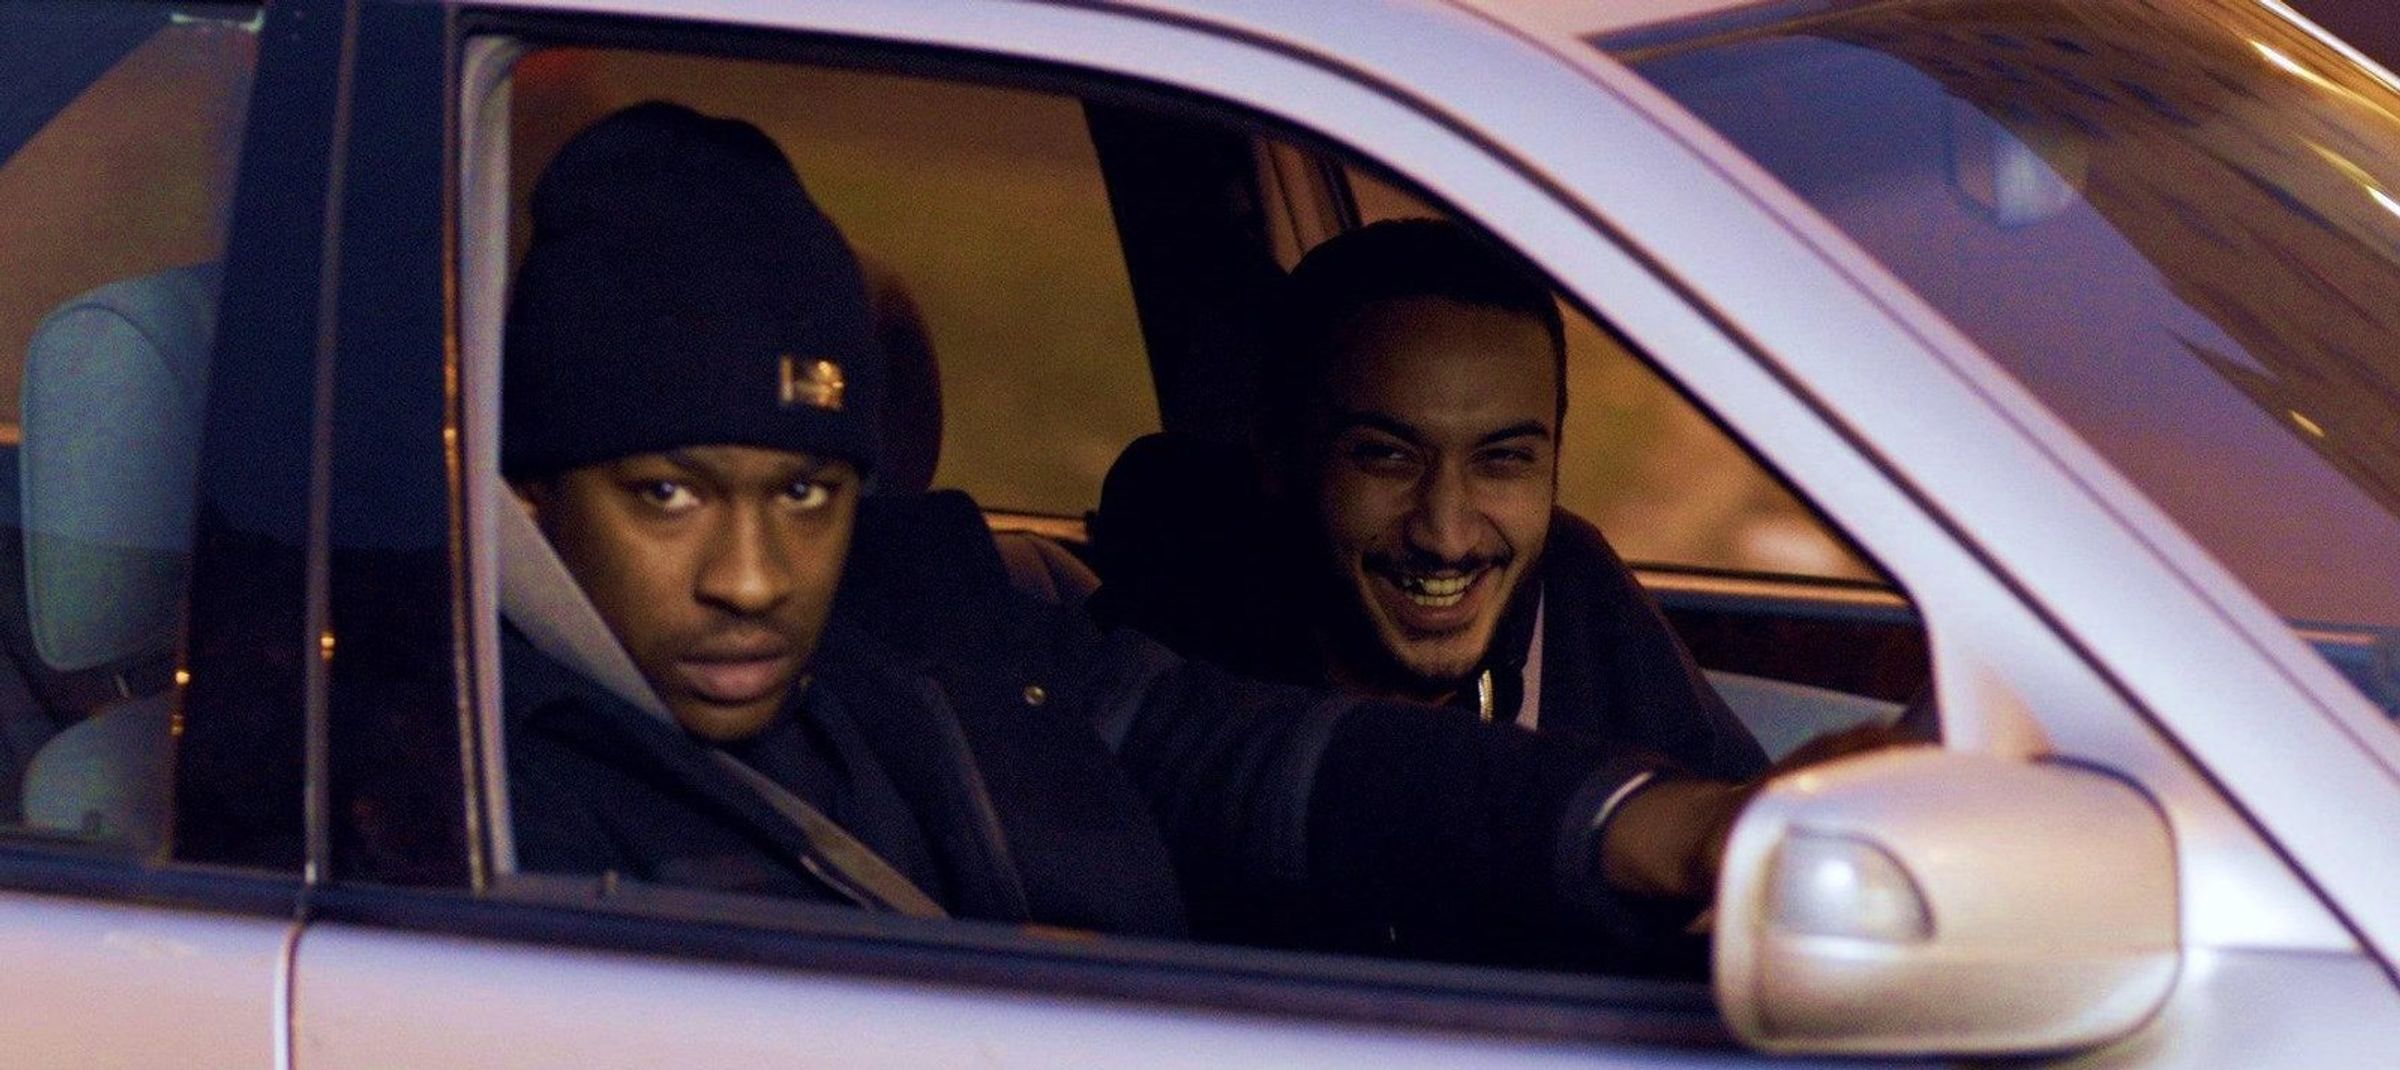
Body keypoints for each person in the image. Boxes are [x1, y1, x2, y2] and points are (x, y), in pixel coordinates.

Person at [498, 102, 1835, 973]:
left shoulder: (928, 613)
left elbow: (1264, 759)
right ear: (535, 491)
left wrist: (1655, 823)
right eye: (667, 495)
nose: (750, 579)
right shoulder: (452, 779)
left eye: (807, 494)